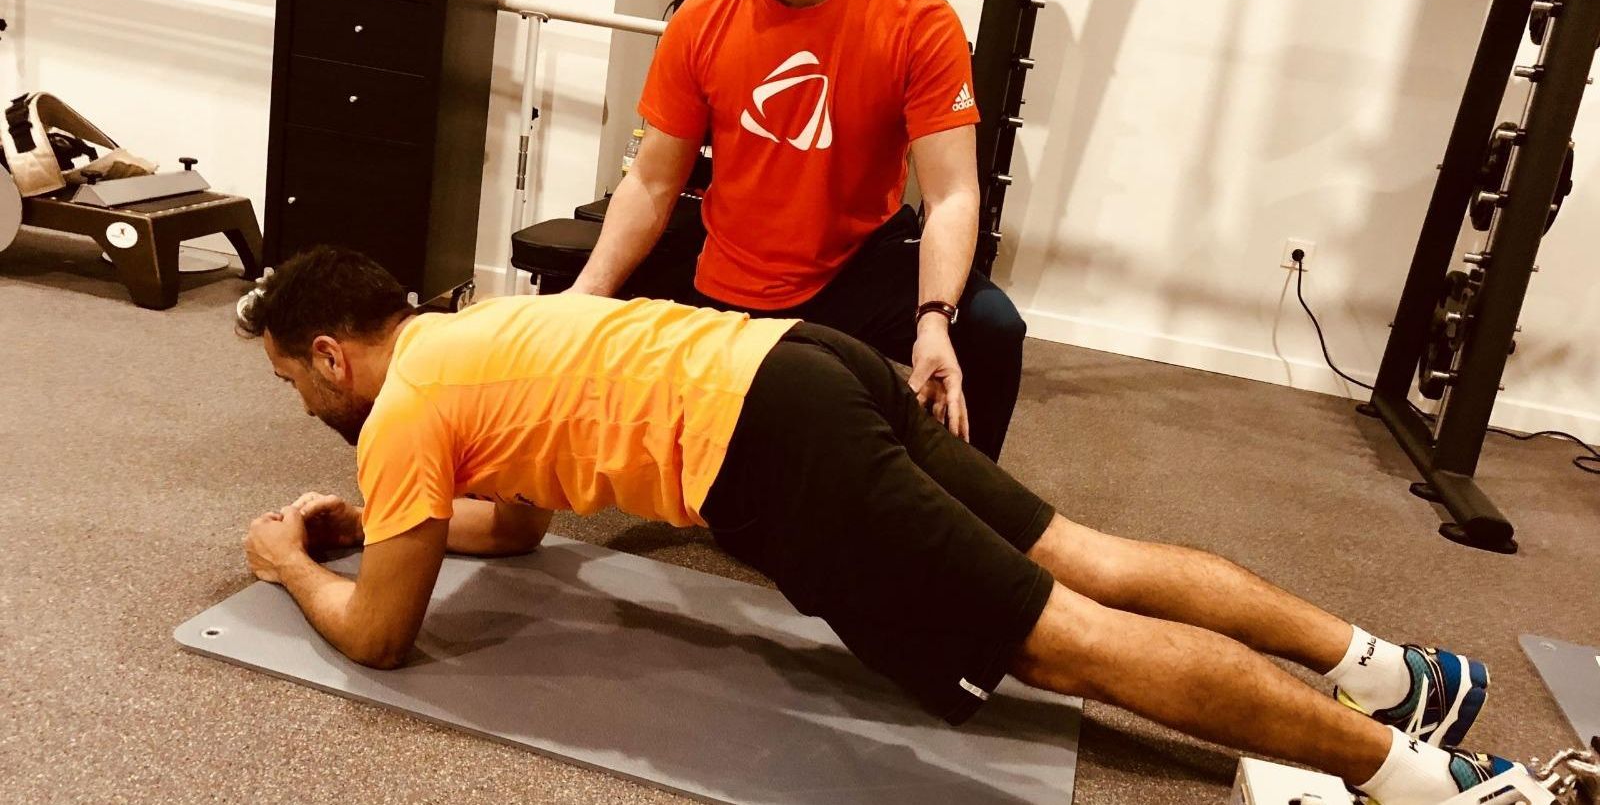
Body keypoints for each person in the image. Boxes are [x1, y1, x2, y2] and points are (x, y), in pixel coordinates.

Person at [240, 247, 1516, 805]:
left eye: (294, 380)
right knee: (1081, 553)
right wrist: (385, 522)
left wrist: (290, 564)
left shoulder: (400, 411)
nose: (300, 402)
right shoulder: (469, 338)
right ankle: (1403, 675)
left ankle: (1407, 780)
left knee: (1060, 640)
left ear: (333, 355)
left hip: (767, 442)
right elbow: (513, 533)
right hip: (804, 362)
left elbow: (382, 640)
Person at [568, 0, 1026, 461]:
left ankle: (967, 510)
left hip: (854, 263)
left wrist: (934, 321)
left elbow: (951, 193)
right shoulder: (700, 19)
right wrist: (586, 295)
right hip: (736, 275)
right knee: (749, 509)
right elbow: (651, 181)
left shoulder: (917, 20)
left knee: (992, 328)